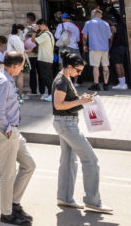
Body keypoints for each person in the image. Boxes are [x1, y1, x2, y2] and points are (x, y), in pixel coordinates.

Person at [52, 52, 113, 213]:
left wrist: (81, 99)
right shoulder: (61, 81)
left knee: (68, 161)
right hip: (66, 124)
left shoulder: (64, 79)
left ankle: (64, 197)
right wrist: (81, 101)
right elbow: (59, 105)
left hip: (65, 123)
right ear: (69, 67)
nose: (79, 74)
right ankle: (92, 200)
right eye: (78, 71)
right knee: (91, 160)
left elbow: (67, 102)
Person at [0, 51, 36, 224]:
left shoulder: (0, 74)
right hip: (6, 130)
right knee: (8, 174)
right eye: (22, 66)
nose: (22, 69)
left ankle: (14, 203)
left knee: (29, 165)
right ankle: (6, 213)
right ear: (15, 66)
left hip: (11, 129)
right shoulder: (4, 82)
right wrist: (8, 129)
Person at [82, 9, 112, 91]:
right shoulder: (106, 24)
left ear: (94, 14)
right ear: (101, 15)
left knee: (96, 67)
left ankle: (96, 84)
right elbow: (109, 37)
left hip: (94, 47)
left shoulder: (88, 23)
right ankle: (106, 85)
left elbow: (85, 36)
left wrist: (84, 45)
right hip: (105, 48)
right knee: (105, 66)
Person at [33, 20, 54, 101]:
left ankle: (52, 95)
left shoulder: (45, 34)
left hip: (44, 59)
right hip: (48, 58)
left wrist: (34, 31)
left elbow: (33, 40)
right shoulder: (49, 34)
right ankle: (50, 94)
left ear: (44, 25)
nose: (39, 28)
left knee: (45, 78)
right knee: (49, 77)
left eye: (40, 26)